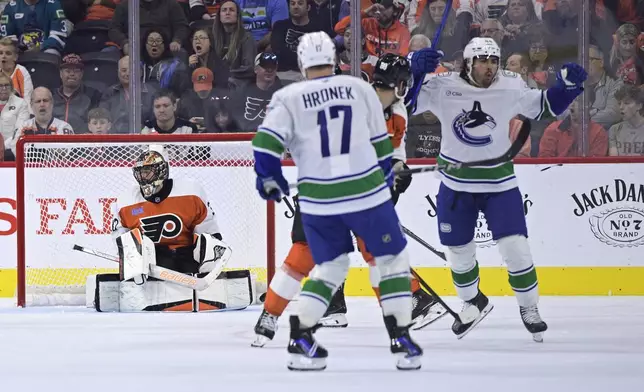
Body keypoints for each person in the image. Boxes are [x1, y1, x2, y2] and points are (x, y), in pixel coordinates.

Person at [251, 32, 422, 371]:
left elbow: (265, 141)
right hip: (362, 192)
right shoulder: (359, 90)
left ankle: (299, 335)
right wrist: (388, 179)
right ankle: (400, 338)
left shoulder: (288, 96)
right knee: (387, 263)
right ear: (335, 59)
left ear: (301, 64)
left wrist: (268, 177)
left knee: (327, 266)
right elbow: (380, 144)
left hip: (317, 196)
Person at [405, 37, 587, 342]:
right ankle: (473, 302)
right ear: (468, 63)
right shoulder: (443, 86)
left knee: (516, 248)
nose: (489, 67)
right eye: (482, 61)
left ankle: (529, 308)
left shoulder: (511, 85)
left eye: (493, 60)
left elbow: (545, 107)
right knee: (459, 252)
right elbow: (406, 104)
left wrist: (566, 88)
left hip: (499, 184)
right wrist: (416, 73)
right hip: (455, 185)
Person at [100, 146, 249, 312]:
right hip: (152, 260)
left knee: (209, 244)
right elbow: (121, 239)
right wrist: (132, 261)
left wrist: (209, 269)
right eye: (140, 172)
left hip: (186, 255)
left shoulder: (190, 193)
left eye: (148, 171)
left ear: (162, 171)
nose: (143, 176)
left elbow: (210, 233)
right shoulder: (126, 201)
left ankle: (206, 287)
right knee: (130, 244)